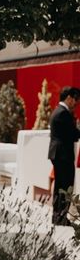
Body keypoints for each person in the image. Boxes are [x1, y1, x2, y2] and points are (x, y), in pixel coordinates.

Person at [48, 86, 80, 225]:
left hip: (59, 154)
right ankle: (61, 218)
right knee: (65, 187)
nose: (76, 103)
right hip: (63, 155)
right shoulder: (63, 113)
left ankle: (58, 218)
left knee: (60, 187)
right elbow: (73, 135)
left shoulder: (58, 111)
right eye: (75, 100)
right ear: (69, 98)